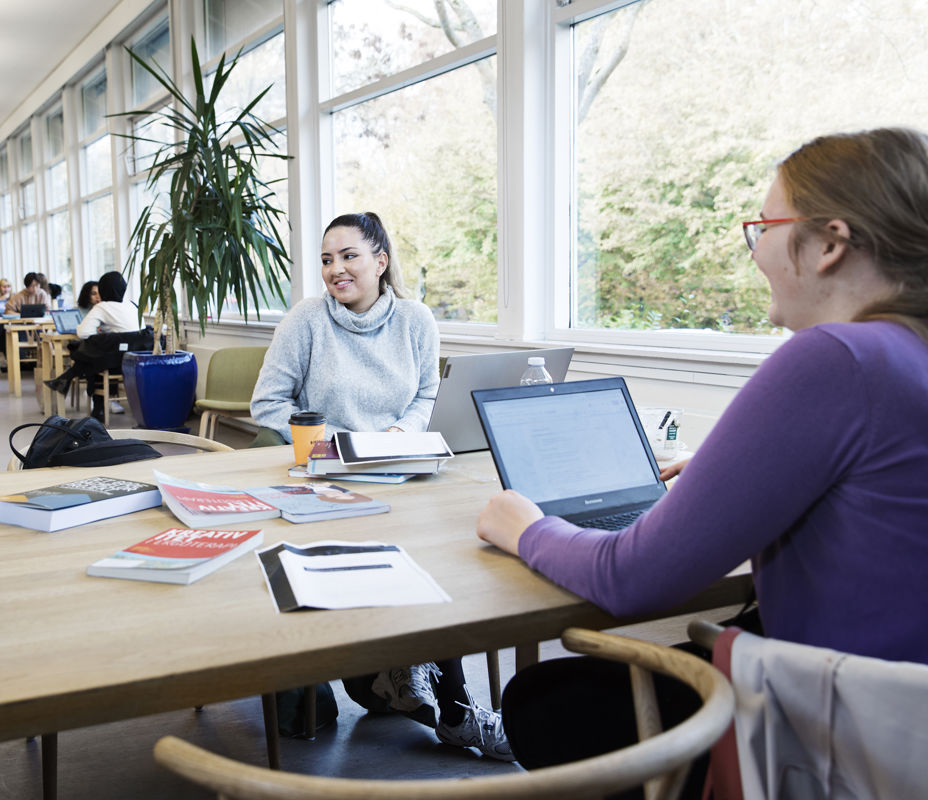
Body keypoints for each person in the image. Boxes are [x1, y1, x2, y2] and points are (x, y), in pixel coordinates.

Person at [476, 128, 928, 779]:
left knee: (545, 703)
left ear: (829, 243)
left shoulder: (837, 357)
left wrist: (528, 528)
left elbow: (631, 579)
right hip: (903, 710)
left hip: (844, 734)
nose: (755, 250)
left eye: (764, 226)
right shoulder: (906, 351)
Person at [250, 211, 511, 760]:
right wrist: (343, 443)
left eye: (349, 256)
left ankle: (416, 678)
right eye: (326, 259)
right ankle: (450, 703)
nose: (335, 269)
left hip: (402, 465)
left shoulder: (416, 319)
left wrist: (396, 435)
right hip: (326, 474)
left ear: (381, 261)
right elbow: (268, 405)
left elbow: (423, 397)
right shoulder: (307, 321)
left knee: (448, 550)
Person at [44, 271, 139, 420]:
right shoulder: (132, 305)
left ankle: (95, 405)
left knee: (89, 355)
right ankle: (68, 382)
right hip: (135, 361)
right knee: (94, 355)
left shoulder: (103, 307)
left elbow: (83, 333)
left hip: (112, 362)